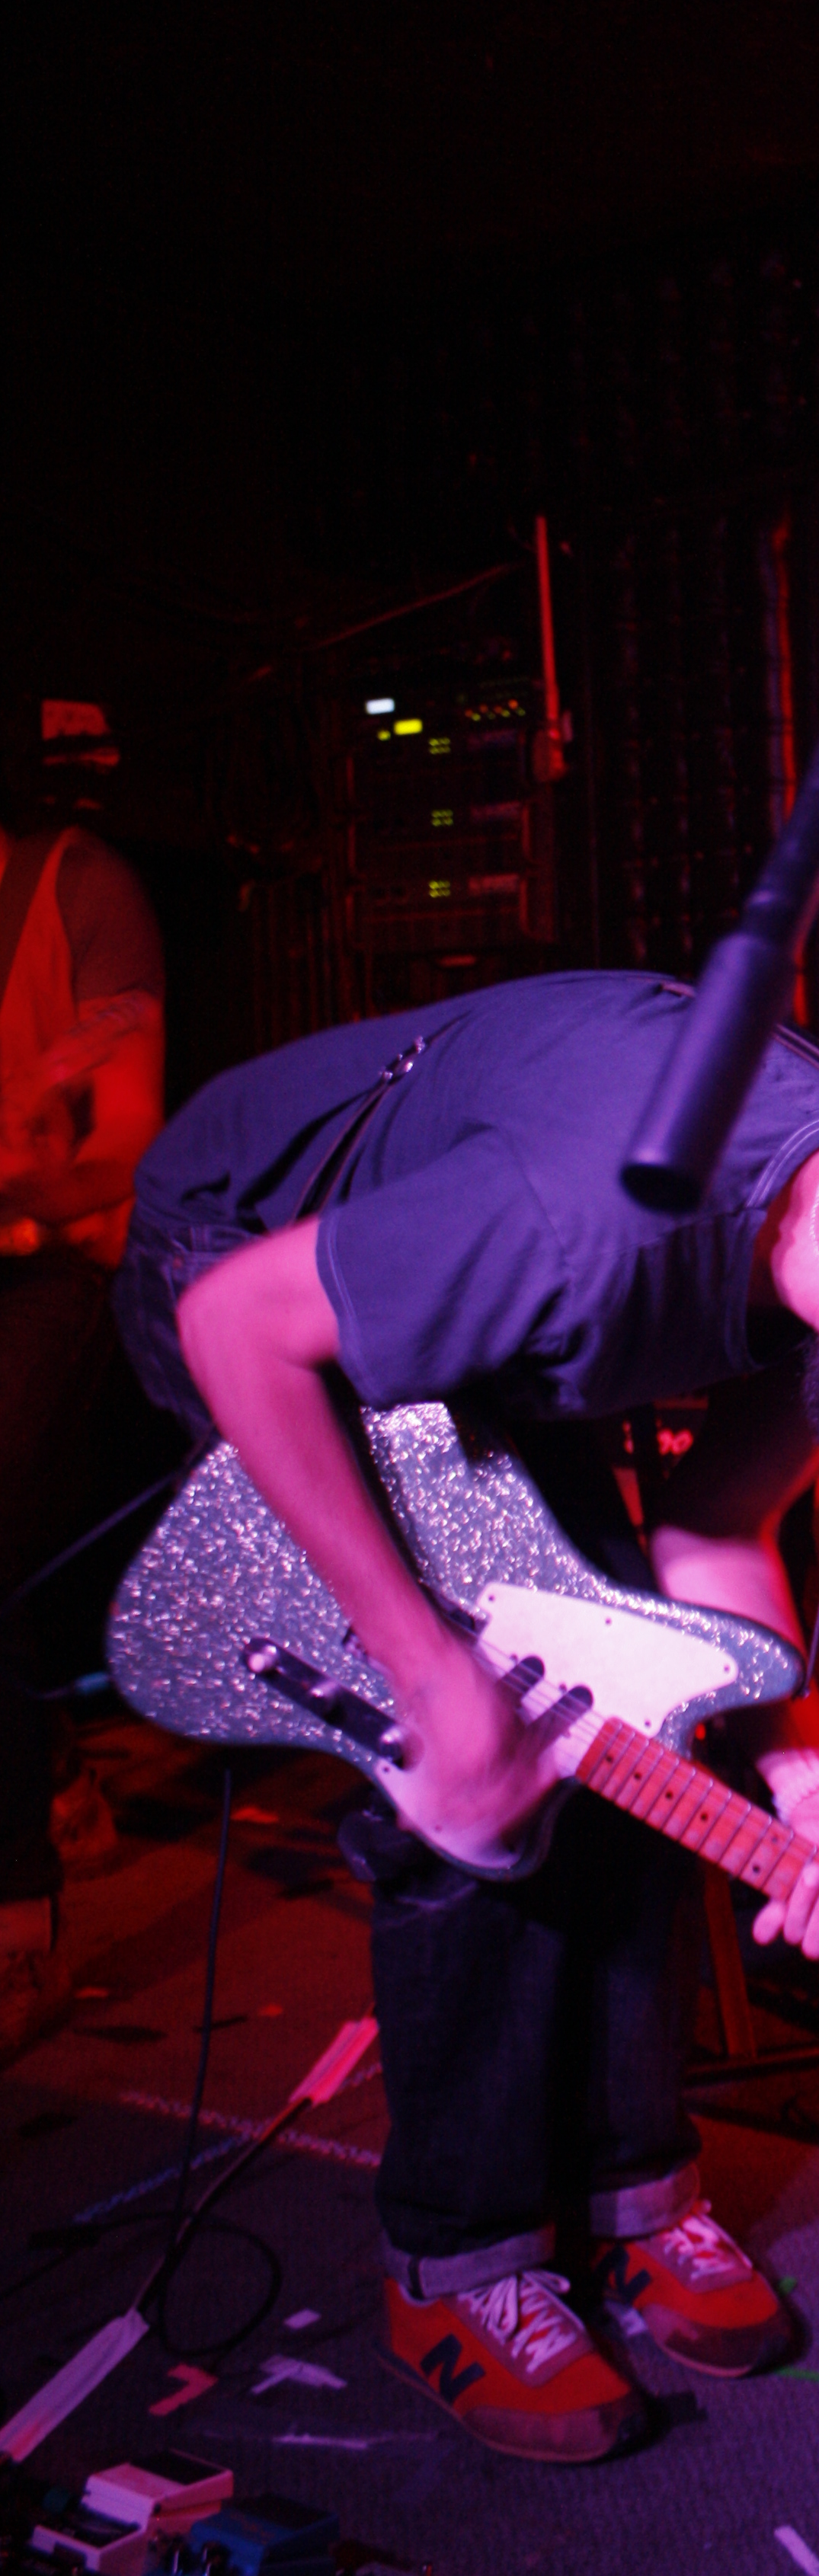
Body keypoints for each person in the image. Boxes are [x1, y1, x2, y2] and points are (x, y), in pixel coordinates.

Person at [114, 971, 819, 2463]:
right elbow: (233, 1325)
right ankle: (459, 2262)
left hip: (474, 1309)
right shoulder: (580, 1225)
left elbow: (710, 1531)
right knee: (474, 1776)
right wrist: (424, 1669)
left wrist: (815, 1782)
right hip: (241, 1268)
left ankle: (631, 2189)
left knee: (642, 1718)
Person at [0, 807, 165, 2060]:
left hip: (63, 1263)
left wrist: (28, 1176)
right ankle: (53, 1772)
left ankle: (18, 1929)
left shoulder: (77, 887)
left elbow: (125, 1147)